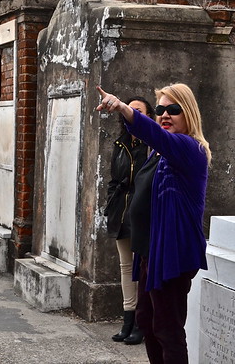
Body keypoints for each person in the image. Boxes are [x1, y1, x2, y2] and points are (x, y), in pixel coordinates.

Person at [96, 83, 210, 364]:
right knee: (147, 322)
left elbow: (155, 134)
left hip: (173, 252)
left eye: (174, 109)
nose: (165, 115)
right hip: (151, 251)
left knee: (168, 329)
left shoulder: (189, 148)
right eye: (160, 110)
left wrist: (123, 107)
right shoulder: (159, 154)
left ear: (189, 113)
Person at [104, 96, 154, 345]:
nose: (133, 114)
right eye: (130, 110)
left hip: (143, 212)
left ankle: (141, 324)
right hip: (121, 212)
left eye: (139, 111)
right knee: (126, 266)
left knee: (142, 267)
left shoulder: (151, 144)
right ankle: (127, 319)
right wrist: (110, 204)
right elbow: (114, 178)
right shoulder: (120, 143)